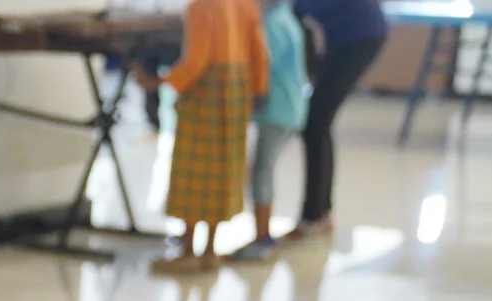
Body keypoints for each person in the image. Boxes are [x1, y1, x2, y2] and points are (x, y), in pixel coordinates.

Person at [135, 0, 268, 273]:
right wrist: (259, 87)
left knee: (194, 169)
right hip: (237, 88)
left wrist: (159, 83)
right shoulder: (244, 3)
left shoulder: (202, 7)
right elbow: (259, 52)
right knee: (223, 169)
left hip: (207, 90)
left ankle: (188, 251)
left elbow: (197, 60)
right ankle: (209, 250)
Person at [282, 0, 386, 242]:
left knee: (315, 123)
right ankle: (320, 214)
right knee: (317, 123)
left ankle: (314, 218)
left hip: (360, 36)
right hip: (348, 36)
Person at [231, 0, 308, 261]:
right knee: (262, 170)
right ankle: (262, 236)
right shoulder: (284, 17)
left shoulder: (273, 23)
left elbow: (261, 62)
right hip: (286, 107)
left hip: (279, 109)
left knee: (261, 171)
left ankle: (263, 239)